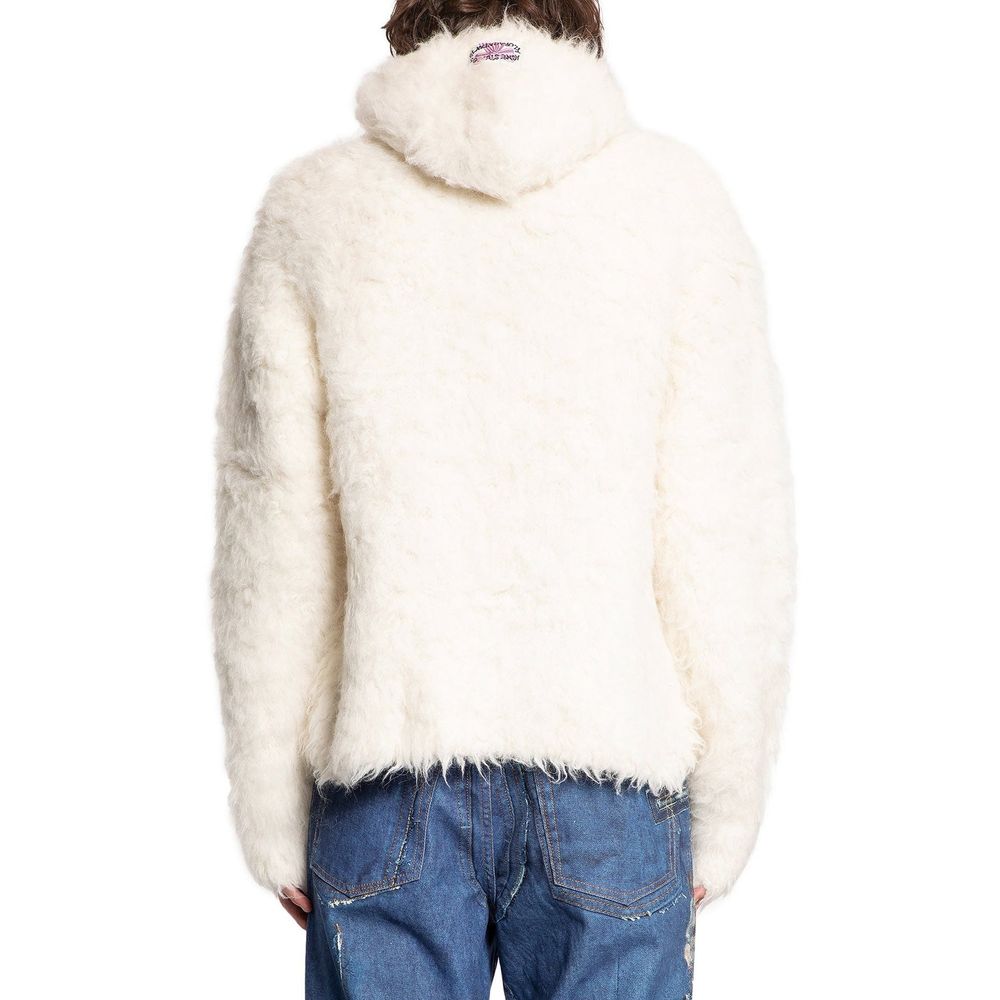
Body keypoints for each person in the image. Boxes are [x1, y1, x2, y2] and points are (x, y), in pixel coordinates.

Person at [212, 2, 795, 997]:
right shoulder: (674, 204)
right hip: (612, 782)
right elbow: (726, 525)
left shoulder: (315, 209)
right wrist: (728, 802)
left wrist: (270, 806)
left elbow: (273, 533)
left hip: (386, 776)